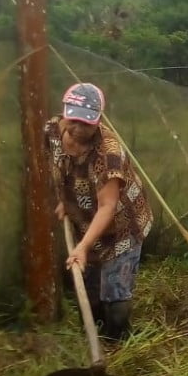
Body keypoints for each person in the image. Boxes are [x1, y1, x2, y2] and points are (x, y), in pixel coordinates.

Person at [46, 83, 153, 340]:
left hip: (121, 229)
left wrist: (82, 247)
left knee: (115, 295)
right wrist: (64, 200)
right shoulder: (51, 131)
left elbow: (108, 206)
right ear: (65, 114)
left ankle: (119, 342)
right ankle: (96, 336)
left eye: (87, 123)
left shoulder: (108, 152)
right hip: (83, 220)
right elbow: (53, 166)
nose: (78, 129)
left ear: (98, 120)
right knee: (92, 290)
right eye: (73, 121)